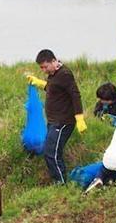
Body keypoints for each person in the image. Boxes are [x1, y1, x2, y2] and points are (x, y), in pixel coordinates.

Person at [25, 49, 86, 185]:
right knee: (50, 151)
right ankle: (59, 181)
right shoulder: (54, 74)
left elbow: (75, 95)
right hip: (54, 122)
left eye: (45, 67)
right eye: (41, 68)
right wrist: (39, 83)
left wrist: (79, 117)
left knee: (51, 153)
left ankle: (61, 183)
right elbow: (54, 88)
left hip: (63, 122)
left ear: (53, 61)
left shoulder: (65, 74)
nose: (44, 70)